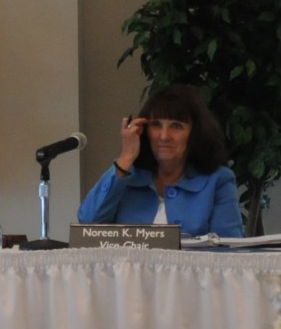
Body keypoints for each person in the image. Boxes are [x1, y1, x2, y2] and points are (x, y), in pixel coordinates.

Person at [78, 84, 244, 238]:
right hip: (128, 270)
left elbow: (229, 250)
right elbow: (88, 226)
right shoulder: (126, 176)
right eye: (156, 125)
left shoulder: (218, 180)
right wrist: (126, 158)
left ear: (195, 134)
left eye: (176, 126)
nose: (164, 136)